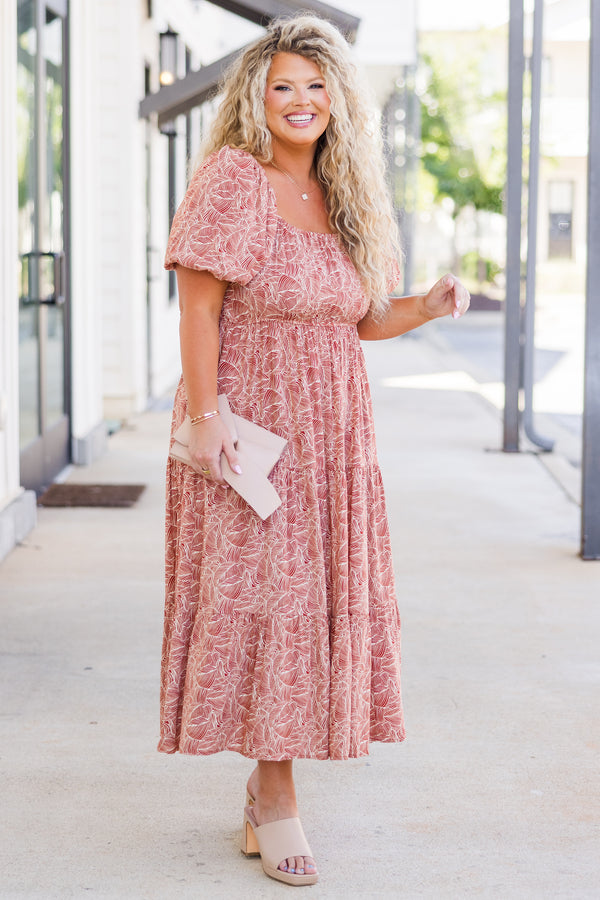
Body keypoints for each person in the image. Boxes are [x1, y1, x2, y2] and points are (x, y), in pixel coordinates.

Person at [160, 14, 470, 888]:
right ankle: (278, 796)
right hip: (252, 431)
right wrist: (210, 415)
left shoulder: (341, 192)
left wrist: (429, 305)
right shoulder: (233, 178)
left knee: (309, 603)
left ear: (338, 99)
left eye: (315, 85)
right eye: (281, 86)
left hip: (334, 439)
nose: (300, 100)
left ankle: (265, 797)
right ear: (256, 99)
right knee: (272, 604)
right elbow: (199, 308)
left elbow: (361, 321)